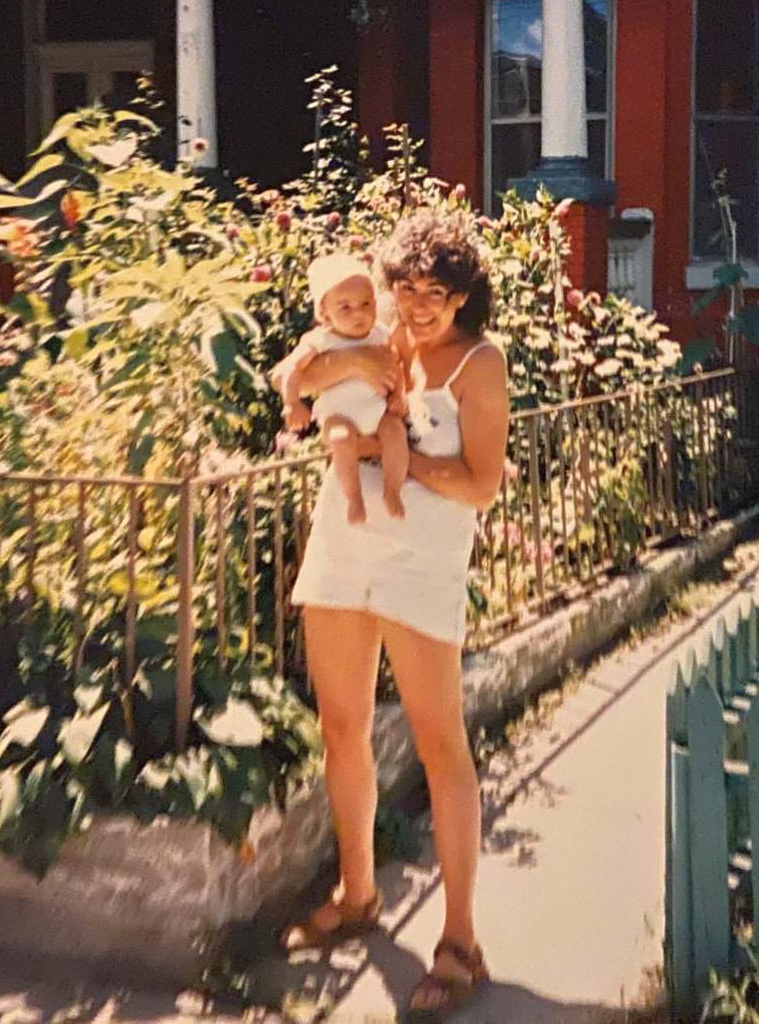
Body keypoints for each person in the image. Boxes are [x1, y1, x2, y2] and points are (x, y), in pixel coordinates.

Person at [281, 210, 510, 1021]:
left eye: (433, 296)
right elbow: (307, 389)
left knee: (438, 743)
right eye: (403, 289)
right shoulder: (373, 343)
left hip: (421, 562)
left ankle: (459, 942)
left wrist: (394, 460)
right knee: (340, 726)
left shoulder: (477, 365)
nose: (414, 308)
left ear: (462, 298)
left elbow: (482, 484)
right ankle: (357, 893)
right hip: (344, 541)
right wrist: (312, 387)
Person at [275, 252, 410, 524]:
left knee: (395, 431)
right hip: (339, 413)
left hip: (376, 409)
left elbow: (395, 366)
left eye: (366, 304)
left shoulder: (380, 334)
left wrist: (398, 395)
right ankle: (354, 497)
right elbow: (290, 370)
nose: (359, 313)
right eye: (345, 308)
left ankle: (392, 489)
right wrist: (292, 403)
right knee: (340, 438)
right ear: (325, 313)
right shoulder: (320, 340)